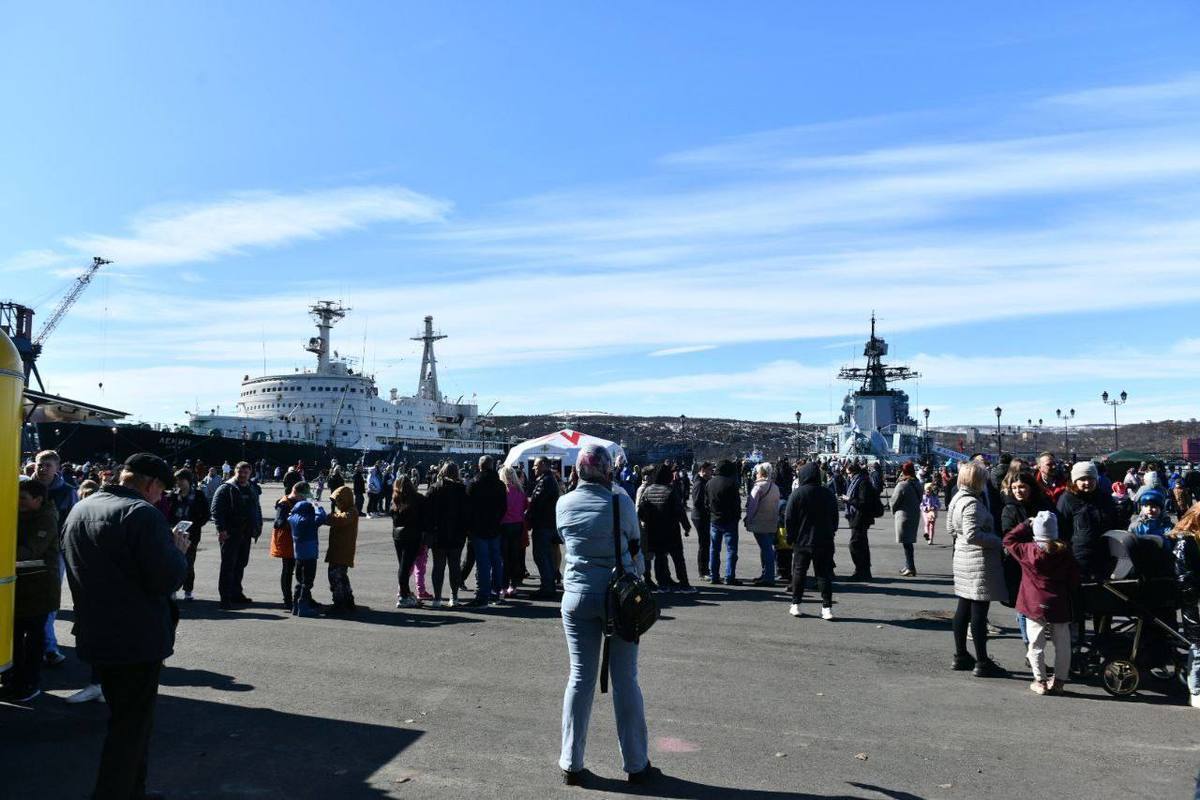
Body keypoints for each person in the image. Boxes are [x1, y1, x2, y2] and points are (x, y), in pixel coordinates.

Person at [62, 453, 189, 800]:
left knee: (126, 722)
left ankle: (134, 790)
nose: (161, 497)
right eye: (161, 490)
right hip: (136, 638)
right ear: (150, 484)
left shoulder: (82, 507)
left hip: (96, 632)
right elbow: (166, 579)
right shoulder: (142, 514)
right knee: (131, 729)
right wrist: (178, 551)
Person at [556, 444, 656, 787]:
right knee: (625, 679)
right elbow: (635, 543)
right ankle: (636, 762)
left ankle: (571, 761)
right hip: (619, 598)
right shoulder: (621, 501)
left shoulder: (563, 504)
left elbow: (565, 540)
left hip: (577, 596)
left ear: (577, 471)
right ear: (606, 471)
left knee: (580, 678)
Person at [1004, 511, 1080, 695]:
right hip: (1059, 603)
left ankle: (1041, 681)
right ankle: (1060, 680)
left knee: (1036, 644)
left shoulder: (1027, 550)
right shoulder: (1065, 552)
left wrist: (1025, 524)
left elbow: (1008, 540)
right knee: (1062, 644)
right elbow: (1074, 579)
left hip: (1033, 603)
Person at [948, 461, 1008, 677]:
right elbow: (973, 535)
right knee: (979, 612)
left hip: (962, 558)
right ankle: (982, 661)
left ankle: (961, 655)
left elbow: (950, 528)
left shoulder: (957, 498)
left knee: (963, 608)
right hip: (977, 561)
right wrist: (996, 540)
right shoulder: (972, 503)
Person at [2, 478, 60, 702]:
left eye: (23, 498)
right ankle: (14, 680)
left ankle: (30, 683)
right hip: (20, 589)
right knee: (15, 638)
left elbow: (29, 551)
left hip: (38, 591)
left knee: (33, 642)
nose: (19, 502)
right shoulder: (22, 514)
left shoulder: (46, 519)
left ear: (38, 499)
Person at [33, 450, 76, 667]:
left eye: (47, 465)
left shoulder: (68, 492)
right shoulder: (23, 486)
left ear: (57, 467)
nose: (42, 468)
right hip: (24, 551)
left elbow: (72, 524)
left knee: (48, 600)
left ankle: (48, 646)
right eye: (40, 464)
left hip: (53, 554)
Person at [784, 462, 838, 620]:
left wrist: (791, 536)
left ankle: (796, 604)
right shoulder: (827, 493)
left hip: (802, 540)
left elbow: (789, 517)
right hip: (824, 540)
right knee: (823, 575)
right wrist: (831, 531)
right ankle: (827, 607)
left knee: (799, 572)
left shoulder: (797, 494)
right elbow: (834, 517)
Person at [210, 461, 263, 610]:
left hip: (246, 532)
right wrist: (221, 529)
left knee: (241, 563)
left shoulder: (251, 488)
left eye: (246, 473)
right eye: (241, 472)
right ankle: (225, 598)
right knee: (228, 565)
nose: (243, 475)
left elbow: (256, 507)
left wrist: (258, 525)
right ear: (235, 472)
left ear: (250, 473)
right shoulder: (226, 488)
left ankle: (236, 593)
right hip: (230, 532)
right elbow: (216, 510)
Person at [637, 463, 694, 594]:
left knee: (660, 557)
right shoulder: (670, 490)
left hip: (654, 530)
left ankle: (662, 584)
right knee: (678, 557)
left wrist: (649, 522)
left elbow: (641, 512)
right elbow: (679, 511)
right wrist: (686, 527)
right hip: (671, 530)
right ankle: (684, 584)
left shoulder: (648, 490)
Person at [1057, 461, 1116, 583]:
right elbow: (1061, 529)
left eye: (1090, 478)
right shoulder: (1067, 499)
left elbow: (1114, 521)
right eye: (1082, 479)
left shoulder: (1104, 497)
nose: (1087, 483)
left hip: (1104, 553)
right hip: (1079, 556)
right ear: (1075, 481)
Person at [1167, 506, 1200, 707]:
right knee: (1198, 646)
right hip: (1193, 600)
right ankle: (1195, 690)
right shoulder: (1185, 541)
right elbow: (1184, 576)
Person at [465, 455, 507, 607]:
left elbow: (468, 508)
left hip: (478, 527)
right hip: (495, 526)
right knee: (496, 560)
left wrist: (469, 526)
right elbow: (504, 508)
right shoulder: (500, 485)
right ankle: (497, 591)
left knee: (483, 562)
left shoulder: (474, 483)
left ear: (480, 466)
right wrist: (497, 519)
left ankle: (483, 594)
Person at [427, 461, 470, 608]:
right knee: (454, 566)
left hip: (438, 535)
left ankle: (437, 598)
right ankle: (454, 596)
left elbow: (428, 514)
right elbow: (466, 515)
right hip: (457, 535)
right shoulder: (462, 490)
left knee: (438, 567)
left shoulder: (434, 489)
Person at [166, 469, 210, 601]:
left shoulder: (198, 495)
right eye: (177, 480)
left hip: (192, 535)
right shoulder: (173, 496)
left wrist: (195, 525)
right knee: (173, 563)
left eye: (181, 480)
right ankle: (173, 589)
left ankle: (188, 590)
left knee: (189, 563)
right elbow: (168, 514)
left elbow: (206, 514)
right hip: (174, 534)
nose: (178, 483)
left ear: (188, 481)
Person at [287, 482, 328, 617]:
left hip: (298, 553)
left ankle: (295, 605)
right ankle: (303, 606)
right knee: (308, 581)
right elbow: (322, 517)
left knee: (299, 580)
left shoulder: (293, 517)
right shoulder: (309, 520)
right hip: (310, 553)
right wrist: (318, 507)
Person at [527, 457, 562, 599]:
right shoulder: (549, 480)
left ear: (543, 465)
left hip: (543, 524)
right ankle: (548, 585)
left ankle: (547, 587)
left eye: (535, 465)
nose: (533, 468)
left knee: (541, 556)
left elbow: (537, 501)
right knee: (545, 556)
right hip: (548, 523)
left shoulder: (545, 481)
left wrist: (527, 514)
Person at [704, 459, 742, 585]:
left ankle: (714, 575)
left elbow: (706, 503)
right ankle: (729, 576)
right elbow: (736, 504)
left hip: (714, 519)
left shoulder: (709, 483)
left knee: (714, 549)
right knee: (731, 550)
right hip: (729, 520)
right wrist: (736, 517)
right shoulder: (731, 483)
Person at [392, 476, 427, 608]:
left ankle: (405, 592)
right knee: (406, 566)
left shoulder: (395, 499)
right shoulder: (418, 498)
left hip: (398, 535)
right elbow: (424, 518)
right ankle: (404, 595)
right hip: (413, 535)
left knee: (403, 566)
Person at [843, 462, 881, 581]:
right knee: (861, 544)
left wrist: (849, 500)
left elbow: (863, 502)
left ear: (854, 472)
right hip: (858, 517)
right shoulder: (860, 481)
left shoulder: (862, 482)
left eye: (849, 474)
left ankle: (861, 570)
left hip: (861, 517)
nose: (848, 476)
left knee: (855, 544)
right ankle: (864, 571)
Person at [744, 462, 780, 587]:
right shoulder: (775, 487)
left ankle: (768, 576)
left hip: (760, 522)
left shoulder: (758, 487)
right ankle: (766, 574)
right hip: (772, 521)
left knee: (766, 549)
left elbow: (752, 507)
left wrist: (748, 519)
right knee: (767, 548)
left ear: (761, 473)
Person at [270, 482, 305, 607]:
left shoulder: (299, 502)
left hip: (297, 541)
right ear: (296, 492)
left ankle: (303, 597)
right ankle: (287, 599)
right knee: (288, 570)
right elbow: (278, 523)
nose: (305, 498)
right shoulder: (284, 504)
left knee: (301, 571)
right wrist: (296, 522)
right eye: (304, 495)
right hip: (287, 542)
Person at [326, 484, 359, 613]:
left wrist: (327, 517)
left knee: (336, 576)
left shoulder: (351, 511)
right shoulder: (344, 511)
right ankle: (348, 600)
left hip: (342, 550)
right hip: (338, 549)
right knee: (341, 576)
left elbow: (342, 520)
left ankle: (339, 602)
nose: (337, 504)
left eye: (339, 501)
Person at [499, 465, 528, 597]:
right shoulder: (520, 490)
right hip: (518, 525)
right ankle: (513, 585)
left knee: (504, 557)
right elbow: (525, 507)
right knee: (515, 556)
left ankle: (504, 586)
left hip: (504, 525)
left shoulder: (502, 491)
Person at [891, 461, 922, 577]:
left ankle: (911, 567)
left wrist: (893, 510)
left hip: (903, 516)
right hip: (914, 514)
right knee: (908, 541)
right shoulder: (918, 483)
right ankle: (908, 565)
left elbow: (894, 501)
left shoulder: (902, 485)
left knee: (907, 543)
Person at [689, 462, 712, 579]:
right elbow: (697, 502)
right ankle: (703, 571)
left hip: (702, 515)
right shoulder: (699, 483)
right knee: (704, 543)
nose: (711, 472)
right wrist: (708, 508)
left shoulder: (703, 482)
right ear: (702, 470)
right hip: (700, 516)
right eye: (709, 470)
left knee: (705, 543)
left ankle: (705, 569)